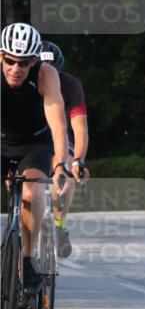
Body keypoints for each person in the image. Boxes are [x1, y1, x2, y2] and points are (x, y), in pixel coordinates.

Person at [1, 23, 71, 300]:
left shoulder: (46, 75)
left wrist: (60, 165)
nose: (16, 69)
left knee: (32, 192)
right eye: (9, 61)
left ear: (34, 60)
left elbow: (58, 126)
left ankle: (28, 262)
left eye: (24, 63)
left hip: (35, 144)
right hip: (2, 140)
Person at [40, 40, 90, 257]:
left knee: (67, 176)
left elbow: (79, 129)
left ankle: (59, 226)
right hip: (29, 134)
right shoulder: (27, 79)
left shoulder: (70, 85)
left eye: (55, 72)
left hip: (58, 134)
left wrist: (79, 160)